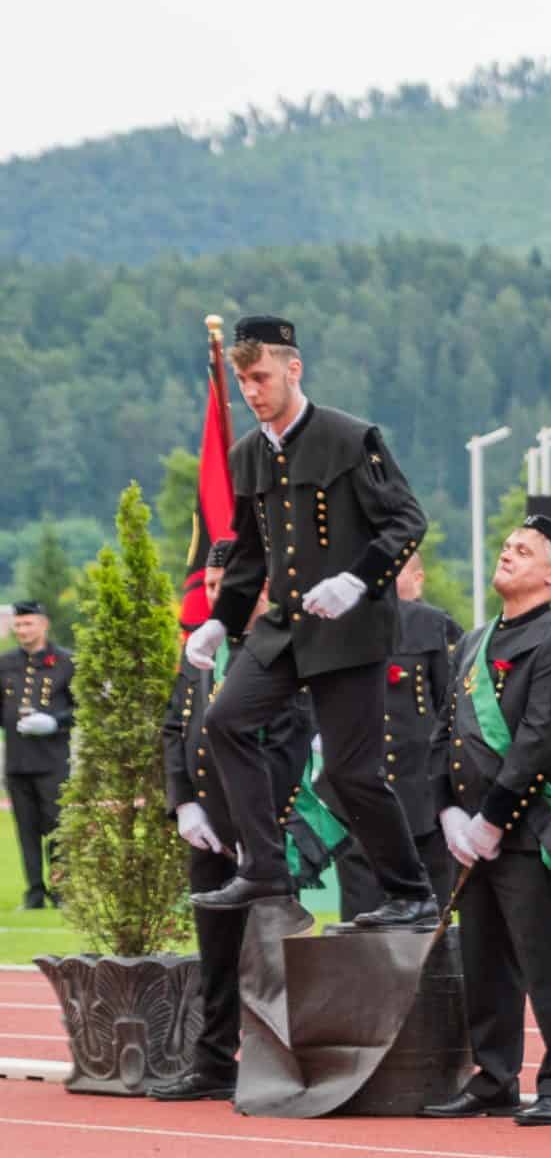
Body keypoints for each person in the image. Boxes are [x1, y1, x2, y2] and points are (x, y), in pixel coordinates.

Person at [182, 315, 435, 928]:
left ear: (293, 369)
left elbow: (407, 521)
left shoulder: (351, 439)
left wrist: (358, 580)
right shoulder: (248, 455)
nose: (251, 391)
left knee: (352, 774)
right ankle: (264, 869)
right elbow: (248, 554)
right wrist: (220, 621)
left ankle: (411, 893)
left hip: (350, 631)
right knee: (225, 720)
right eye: (243, 381)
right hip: (285, 629)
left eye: (261, 377)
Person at [423, 516, 551, 1126]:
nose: (508, 555)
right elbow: (444, 731)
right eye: (506, 546)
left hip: (526, 830)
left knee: (547, 960)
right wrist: (447, 810)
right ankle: (494, 1078)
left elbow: (541, 735)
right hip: (469, 832)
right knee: (484, 958)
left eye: (523, 551)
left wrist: (492, 819)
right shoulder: (473, 642)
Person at [149, 547, 313, 1101]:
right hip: (207, 827)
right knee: (216, 954)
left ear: (263, 589)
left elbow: (290, 748)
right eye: (212, 585)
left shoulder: (278, 653)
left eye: (228, 584)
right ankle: (214, 1061)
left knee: (271, 955)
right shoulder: (202, 649)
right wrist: (184, 805)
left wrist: (258, 830)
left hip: (261, 835)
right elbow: (176, 727)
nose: (217, 596)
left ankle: (281, 1066)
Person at [325, 551, 464, 913]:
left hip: (420, 791)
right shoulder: (349, 624)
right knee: (360, 910)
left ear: (418, 578)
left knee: (431, 908)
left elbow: (450, 708)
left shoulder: (436, 626)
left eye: (395, 571)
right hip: (362, 788)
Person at [2, 600, 72, 909]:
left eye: (28, 623)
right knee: (26, 830)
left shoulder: (65, 662)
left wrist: (55, 722)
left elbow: (82, 708)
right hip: (18, 761)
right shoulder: (5, 663)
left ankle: (61, 891)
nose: (22, 630)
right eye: (18, 624)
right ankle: (33, 892)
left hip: (52, 760)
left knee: (57, 828)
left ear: (44, 624)